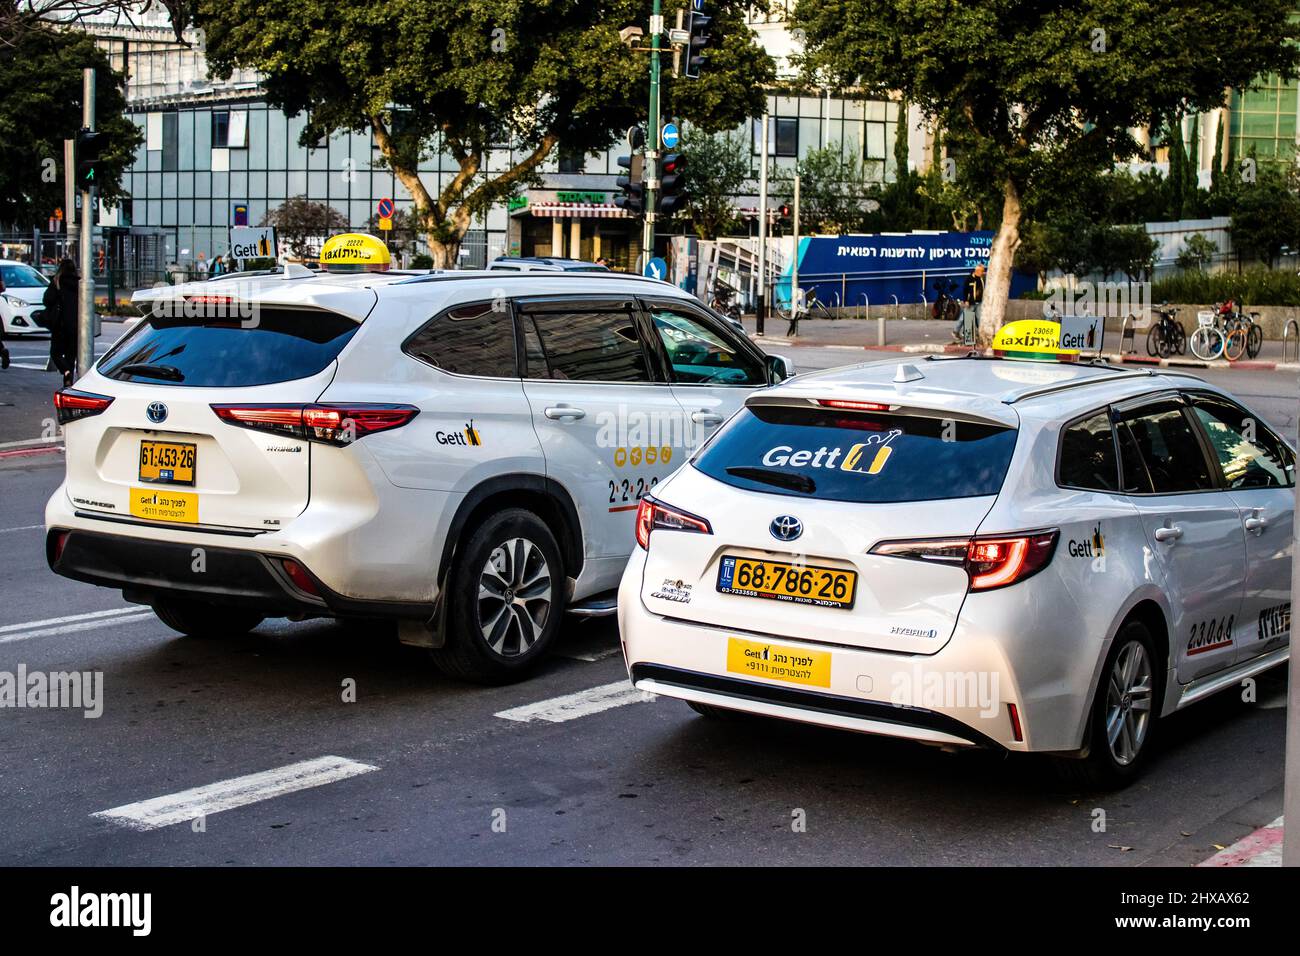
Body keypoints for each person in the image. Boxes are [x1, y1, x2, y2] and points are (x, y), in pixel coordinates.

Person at [43, 258, 80, 387]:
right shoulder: (80, 283)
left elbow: (47, 300)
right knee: (71, 354)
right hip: (76, 325)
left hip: (60, 324)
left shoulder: (57, 281)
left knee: (56, 353)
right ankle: (67, 381)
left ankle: (66, 371)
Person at [954, 263, 986, 343]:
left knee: (979, 319)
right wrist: (966, 301)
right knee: (965, 318)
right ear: (977, 271)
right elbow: (965, 291)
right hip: (970, 302)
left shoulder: (982, 279)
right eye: (982, 271)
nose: (983, 272)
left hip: (979, 303)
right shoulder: (969, 279)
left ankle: (980, 334)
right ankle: (956, 332)